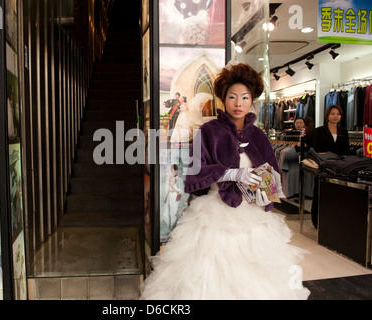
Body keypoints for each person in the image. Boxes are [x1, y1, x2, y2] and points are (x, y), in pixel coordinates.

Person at [141, 63, 310, 300]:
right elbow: (194, 172)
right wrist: (230, 173)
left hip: (253, 214)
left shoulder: (259, 136)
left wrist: (268, 194)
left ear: (252, 100)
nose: (238, 103)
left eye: (244, 97)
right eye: (232, 97)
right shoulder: (209, 131)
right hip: (215, 212)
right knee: (208, 277)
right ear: (223, 99)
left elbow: (271, 172)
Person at [310, 105, 350, 228]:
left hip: (339, 168)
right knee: (320, 192)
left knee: (337, 194)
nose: (335, 116)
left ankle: (334, 221)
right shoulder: (319, 130)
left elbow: (346, 150)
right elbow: (316, 149)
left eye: (338, 114)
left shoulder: (343, 131)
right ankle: (316, 220)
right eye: (333, 114)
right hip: (324, 166)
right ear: (327, 115)